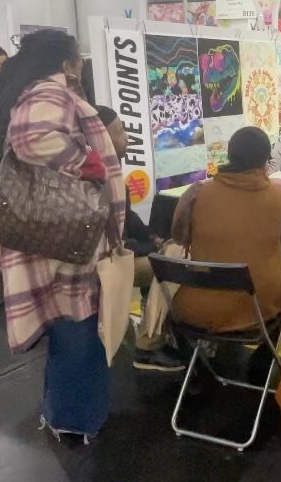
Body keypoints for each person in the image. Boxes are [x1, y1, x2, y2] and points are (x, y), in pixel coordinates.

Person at [0, 30, 125, 442]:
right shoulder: (50, 91)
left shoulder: (26, 91)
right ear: (67, 62)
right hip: (68, 237)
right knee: (78, 326)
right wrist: (89, 164)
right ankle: (75, 420)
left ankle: (62, 413)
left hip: (51, 233)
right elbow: (34, 139)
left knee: (70, 328)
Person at [170, 126, 281, 333]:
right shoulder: (280, 196)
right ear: (266, 160)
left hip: (197, 306)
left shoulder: (197, 193)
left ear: (230, 156)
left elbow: (179, 237)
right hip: (260, 306)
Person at [92, 105, 178, 372]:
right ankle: (149, 347)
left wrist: (153, 240)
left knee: (168, 253)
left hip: (118, 255)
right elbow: (115, 242)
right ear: (102, 139)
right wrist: (150, 247)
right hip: (104, 264)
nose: (127, 137)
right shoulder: (97, 181)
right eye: (120, 131)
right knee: (167, 267)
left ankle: (153, 332)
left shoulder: (110, 172)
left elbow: (129, 221)